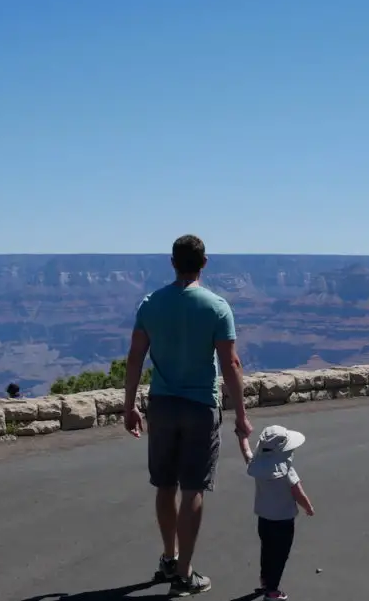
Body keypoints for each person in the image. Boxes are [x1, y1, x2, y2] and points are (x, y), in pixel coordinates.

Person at [124, 234, 254, 597]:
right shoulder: (216, 307)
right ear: (205, 262)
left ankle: (169, 558)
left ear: (172, 262)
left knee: (165, 484)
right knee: (193, 487)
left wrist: (129, 404)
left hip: (162, 404)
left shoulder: (151, 304)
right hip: (200, 407)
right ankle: (184, 573)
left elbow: (135, 357)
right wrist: (241, 415)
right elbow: (230, 364)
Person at [243, 425, 315, 601]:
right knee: (280, 555)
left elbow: (246, 451)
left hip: (264, 519)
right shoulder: (286, 469)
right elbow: (298, 492)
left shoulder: (257, 465)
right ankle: (272, 591)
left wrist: (242, 437)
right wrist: (308, 507)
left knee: (267, 551)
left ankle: (265, 581)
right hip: (283, 520)